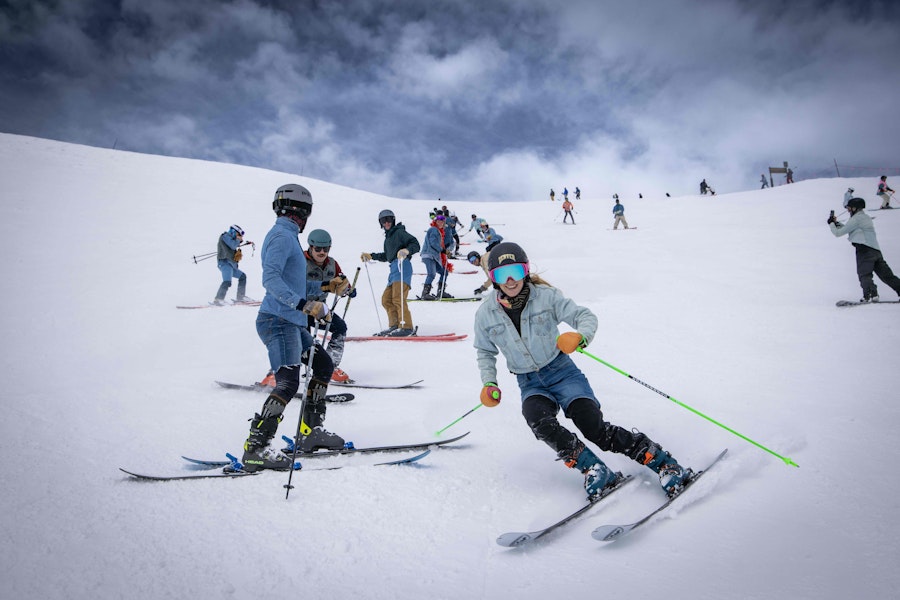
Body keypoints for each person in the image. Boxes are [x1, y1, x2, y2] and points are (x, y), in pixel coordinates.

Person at [472, 242, 692, 499]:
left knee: (593, 428)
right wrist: (489, 382)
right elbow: (485, 351)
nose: (510, 281)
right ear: (493, 278)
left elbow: (584, 317)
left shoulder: (546, 297)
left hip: (562, 372)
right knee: (538, 421)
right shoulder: (485, 314)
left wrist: (580, 336)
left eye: (516, 272)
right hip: (529, 382)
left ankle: (664, 464)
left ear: (526, 271)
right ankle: (594, 470)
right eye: (502, 275)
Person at [240, 184, 344, 472]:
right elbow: (271, 280)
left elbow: (294, 282)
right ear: (304, 212)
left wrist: (328, 286)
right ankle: (257, 448)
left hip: (293, 323)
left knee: (323, 365)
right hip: (278, 320)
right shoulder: (282, 237)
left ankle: (311, 433)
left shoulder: (288, 237)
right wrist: (304, 305)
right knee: (287, 382)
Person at [304, 229, 355, 382]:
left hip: (321, 309)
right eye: (318, 249)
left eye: (325, 249)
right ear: (310, 247)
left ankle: (330, 366)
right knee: (299, 338)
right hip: (300, 307)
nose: (322, 252)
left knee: (340, 327)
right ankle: (279, 371)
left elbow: (341, 281)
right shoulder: (300, 261)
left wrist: (348, 289)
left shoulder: (332, 264)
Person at [361, 209, 420, 336]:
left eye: (389, 219)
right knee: (386, 299)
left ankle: (406, 327)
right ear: (380, 223)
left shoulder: (399, 232)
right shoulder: (388, 238)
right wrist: (371, 256)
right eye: (384, 220)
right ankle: (395, 325)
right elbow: (387, 256)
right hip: (393, 269)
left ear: (393, 220)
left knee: (398, 298)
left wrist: (407, 251)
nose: (387, 223)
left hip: (402, 266)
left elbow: (415, 244)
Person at [828, 197, 900, 302]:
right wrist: (836, 223)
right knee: (887, 275)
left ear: (855, 208)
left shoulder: (856, 219)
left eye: (850, 208)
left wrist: (831, 224)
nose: (848, 211)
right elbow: (850, 228)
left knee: (864, 273)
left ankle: (870, 295)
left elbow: (838, 233)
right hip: (875, 251)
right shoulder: (864, 217)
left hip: (864, 250)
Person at [213, 224, 253, 305]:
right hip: (225, 263)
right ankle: (218, 299)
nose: (239, 236)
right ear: (234, 231)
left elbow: (234, 245)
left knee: (242, 276)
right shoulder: (225, 236)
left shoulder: (231, 238)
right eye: (238, 234)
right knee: (227, 281)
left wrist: (240, 241)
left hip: (231, 265)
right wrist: (238, 240)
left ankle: (240, 297)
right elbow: (233, 245)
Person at [420, 214, 454, 300]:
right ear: (435, 222)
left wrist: (445, 250)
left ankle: (440, 291)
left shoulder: (439, 231)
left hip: (435, 256)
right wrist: (443, 250)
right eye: (438, 221)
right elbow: (433, 243)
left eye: (442, 221)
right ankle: (425, 294)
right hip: (429, 255)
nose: (440, 223)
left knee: (444, 272)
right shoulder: (433, 229)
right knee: (431, 273)